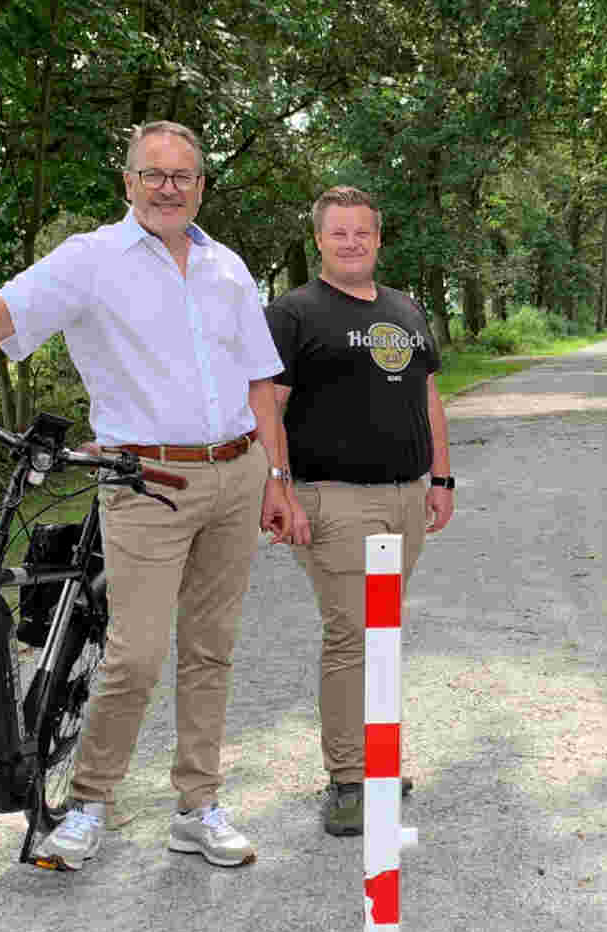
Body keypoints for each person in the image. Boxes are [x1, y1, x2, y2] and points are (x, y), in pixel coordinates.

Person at [0, 120, 301, 872]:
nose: (170, 188)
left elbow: (260, 382)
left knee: (210, 650)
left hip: (236, 472)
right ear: (128, 183)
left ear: (201, 186)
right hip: (144, 482)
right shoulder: (92, 261)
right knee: (134, 656)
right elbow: (3, 310)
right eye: (154, 175)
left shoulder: (228, 267)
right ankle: (90, 802)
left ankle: (198, 805)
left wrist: (275, 478)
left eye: (184, 177)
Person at [264, 186, 454, 836]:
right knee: (352, 635)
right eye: (338, 232)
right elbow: (267, 407)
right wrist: (279, 485)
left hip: (406, 495)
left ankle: (375, 764)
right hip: (336, 499)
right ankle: (348, 782)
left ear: (378, 238)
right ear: (319, 239)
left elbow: (428, 395)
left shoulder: (405, 308)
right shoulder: (293, 313)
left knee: (382, 633)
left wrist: (442, 477)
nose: (351, 242)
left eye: (362, 232)